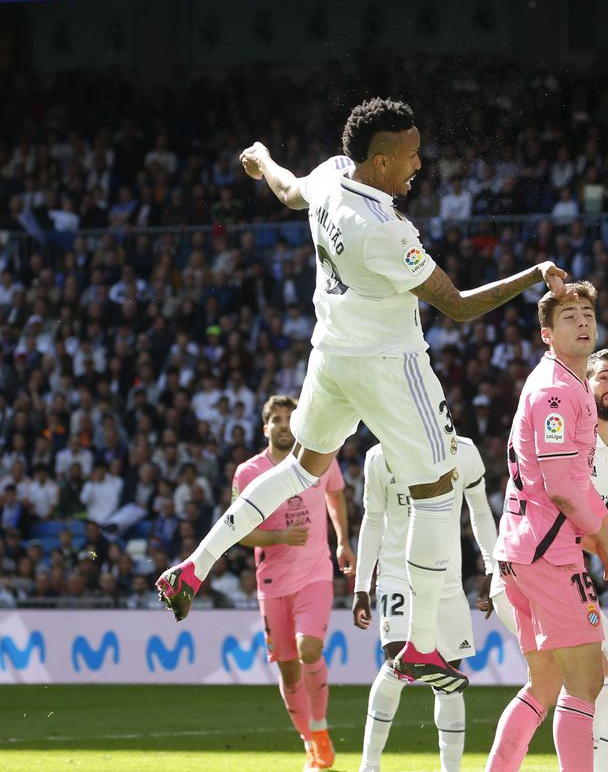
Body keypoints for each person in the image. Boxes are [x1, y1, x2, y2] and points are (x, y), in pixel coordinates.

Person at [156, 97, 567, 694]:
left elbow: (287, 190)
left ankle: (193, 567)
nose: (419, 164)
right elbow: (457, 306)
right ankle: (420, 644)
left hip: (331, 356)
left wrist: (261, 158)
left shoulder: (330, 176)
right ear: (380, 162)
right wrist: (533, 275)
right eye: (411, 155)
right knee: (437, 488)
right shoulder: (385, 231)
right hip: (391, 368)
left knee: (302, 468)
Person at [460, 284, 608, 772]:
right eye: (569, 316)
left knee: (544, 684)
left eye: (588, 314)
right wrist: (606, 534)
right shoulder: (555, 391)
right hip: (549, 554)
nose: (582, 323)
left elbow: (574, 482)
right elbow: (563, 484)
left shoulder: (568, 387)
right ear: (547, 333)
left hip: (525, 551)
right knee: (589, 681)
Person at [351, 435, 498, 772]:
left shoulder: (464, 451)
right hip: (397, 576)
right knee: (398, 663)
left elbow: (481, 510)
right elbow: (373, 520)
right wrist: (361, 585)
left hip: (447, 581)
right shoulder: (379, 456)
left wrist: (492, 565)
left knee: (449, 677)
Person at [232, 395, 353, 772]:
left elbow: (336, 493)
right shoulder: (249, 472)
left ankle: (320, 728)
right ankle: (309, 741)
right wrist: (278, 537)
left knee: (309, 649)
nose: (284, 425)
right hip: (272, 582)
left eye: (290, 418)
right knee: (287, 669)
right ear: (265, 428)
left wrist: (342, 541)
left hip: (316, 573)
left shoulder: (320, 457)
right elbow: (238, 531)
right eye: (277, 420)